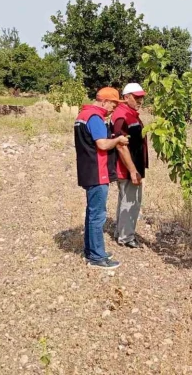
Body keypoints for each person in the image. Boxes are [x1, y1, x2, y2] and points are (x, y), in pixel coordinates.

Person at [74, 87, 129, 269]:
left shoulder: (83, 115)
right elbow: (102, 144)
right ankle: (97, 257)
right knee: (98, 215)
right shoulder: (95, 117)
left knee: (92, 213)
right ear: (104, 101)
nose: (114, 108)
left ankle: (91, 251)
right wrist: (119, 140)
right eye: (113, 103)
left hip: (87, 170)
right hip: (98, 172)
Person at [112, 83, 148, 248]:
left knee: (125, 199)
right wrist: (133, 171)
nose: (140, 100)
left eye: (141, 96)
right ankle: (126, 238)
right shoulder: (122, 116)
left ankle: (121, 233)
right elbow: (120, 145)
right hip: (127, 167)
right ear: (126, 97)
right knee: (131, 202)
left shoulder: (130, 113)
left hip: (132, 166)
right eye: (136, 97)